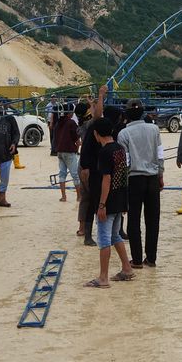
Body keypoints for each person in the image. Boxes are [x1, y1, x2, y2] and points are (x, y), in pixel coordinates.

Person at [84, 116, 134, 287]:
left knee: (104, 239)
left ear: (96, 134)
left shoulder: (104, 152)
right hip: (120, 198)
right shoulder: (120, 149)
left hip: (108, 201)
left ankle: (103, 278)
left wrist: (101, 205)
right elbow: (123, 175)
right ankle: (127, 268)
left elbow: (107, 179)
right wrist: (125, 201)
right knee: (115, 235)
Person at [119, 105, 162, 268]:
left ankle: (136, 260)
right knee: (153, 219)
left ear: (127, 116)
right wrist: (160, 174)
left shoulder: (124, 133)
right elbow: (160, 154)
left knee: (133, 220)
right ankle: (151, 258)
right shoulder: (154, 130)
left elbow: (125, 162)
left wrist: (123, 184)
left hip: (134, 179)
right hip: (152, 178)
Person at [53, 101, 82, 202]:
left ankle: (63, 196)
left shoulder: (58, 122)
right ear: (69, 113)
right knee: (75, 175)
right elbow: (77, 138)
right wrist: (78, 147)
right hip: (69, 151)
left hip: (60, 151)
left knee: (62, 174)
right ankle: (79, 196)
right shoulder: (71, 123)